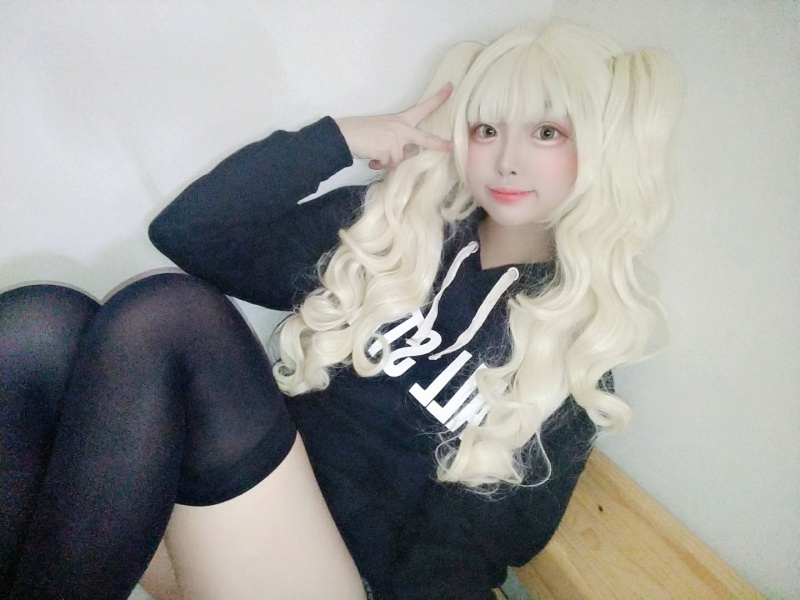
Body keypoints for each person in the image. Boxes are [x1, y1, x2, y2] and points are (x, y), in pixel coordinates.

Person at [0, 22, 681, 600]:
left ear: (600, 149)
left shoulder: (574, 354)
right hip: (226, 535)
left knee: (169, 314)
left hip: (339, 579)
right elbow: (192, 233)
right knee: (44, 326)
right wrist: (340, 139)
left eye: (546, 132)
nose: (506, 159)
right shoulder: (394, 228)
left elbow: (465, 554)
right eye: (486, 128)